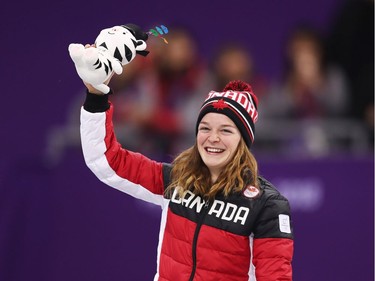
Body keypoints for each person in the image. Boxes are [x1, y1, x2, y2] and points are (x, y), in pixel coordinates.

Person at [79, 46, 294, 279]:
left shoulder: (266, 205)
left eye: (226, 130)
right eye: (205, 128)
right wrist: (96, 96)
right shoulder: (175, 181)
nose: (213, 138)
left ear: (243, 141)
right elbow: (106, 160)